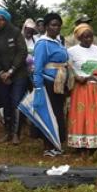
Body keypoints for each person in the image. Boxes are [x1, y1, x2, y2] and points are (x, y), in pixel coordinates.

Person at [0, 9, 28, 144]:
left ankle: (16, 133)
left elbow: (22, 51)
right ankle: (7, 131)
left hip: (18, 73)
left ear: (6, 20)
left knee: (16, 102)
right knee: (5, 103)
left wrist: (11, 70)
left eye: (1, 19)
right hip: (2, 75)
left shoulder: (15, 32)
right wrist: (0, 72)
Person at [33, 13, 71, 156]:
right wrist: (38, 86)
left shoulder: (58, 42)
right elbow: (37, 67)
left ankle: (56, 144)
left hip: (59, 83)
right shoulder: (43, 44)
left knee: (58, 113)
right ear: (46, 26)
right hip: (48, 83)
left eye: (58, 25)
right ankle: (48, 147)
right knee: (49, 114)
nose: (56, 28)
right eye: (53, 25)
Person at [66, 23, 97, 151]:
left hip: (95, 88)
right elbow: (68, 69)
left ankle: (93, 144)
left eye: (90, 36)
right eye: (85, 37)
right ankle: (80, 145)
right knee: (80, 116)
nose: (88, 39)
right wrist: (76, 77)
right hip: (80, 88)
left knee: (94, 116)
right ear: (78, 38)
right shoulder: (72, 51)